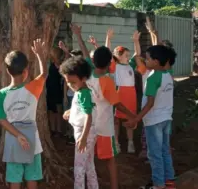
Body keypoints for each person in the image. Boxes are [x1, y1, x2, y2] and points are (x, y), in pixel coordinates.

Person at [71, 23, 135, 189]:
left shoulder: (88, 73)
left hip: (89, 124)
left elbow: (85, 53)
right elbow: (118, 104)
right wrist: (132, 115)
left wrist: (78, 35)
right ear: (109, 64)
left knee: (89, 160)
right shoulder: (107, 81)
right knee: (110, 159)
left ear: (93, 61)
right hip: (105, 126)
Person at [0, 39, 47, 189]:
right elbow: (44, 74)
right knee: (32, 177)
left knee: (15, 179)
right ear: (26, 71)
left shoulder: (2, 93)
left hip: (13, 139)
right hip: (32, 139)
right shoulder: (33, 89)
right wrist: (40, 55)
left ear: (7, 70)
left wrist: (18, 135)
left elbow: (1, 119)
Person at [125, 45, 176, 189]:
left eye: (147, 59)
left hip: (154, 121)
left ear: (155, 61)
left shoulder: (153, 77)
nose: (145, 61)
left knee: (154, 154)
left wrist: (136, 119)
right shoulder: (168, 74)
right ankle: (169, 181)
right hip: (166, 119)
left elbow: (150, 103)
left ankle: (159, 184)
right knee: (165, 151)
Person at [61, 56, 98, 189]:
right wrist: (71, 111)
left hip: (84, 132)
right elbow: (83, 107)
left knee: (79, 168)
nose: (70, 86)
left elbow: (89, 116)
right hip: (87, 132)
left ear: (83, 78)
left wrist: (82, 138)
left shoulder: (83, 93)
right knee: (88, 165)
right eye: (68, 82)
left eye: (73, 82)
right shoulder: (83, 90)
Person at [106, 30, 142, 153]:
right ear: (119, 56)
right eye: (126, 55)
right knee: (116, 120)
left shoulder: (130, 64)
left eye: (128, 55)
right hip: (120, 93)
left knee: (129, 118)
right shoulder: (114, 66)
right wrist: (108, 39)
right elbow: (107, 53)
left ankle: (130, 142)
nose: (128, 57)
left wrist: (136, 41)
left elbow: (137, 54)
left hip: (131, 94)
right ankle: (116, 142)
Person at [46, 46, 64, 136]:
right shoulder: (50, 64)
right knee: (51, 111)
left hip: (57, 90)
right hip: (50, 90)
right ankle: (53, 129)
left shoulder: (60, 64)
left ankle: (59, 130)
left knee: (58, 111)